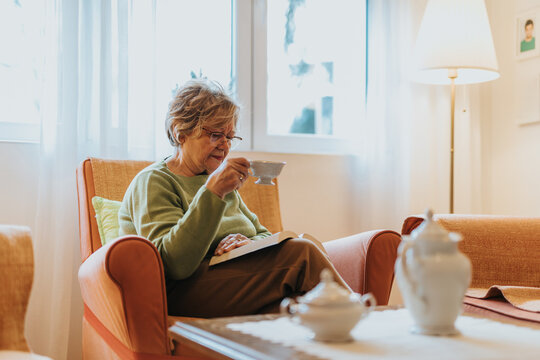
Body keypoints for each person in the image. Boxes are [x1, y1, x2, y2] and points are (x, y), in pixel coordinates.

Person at [118, 79, 350, 318]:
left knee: (297, 305)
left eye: (230, 137)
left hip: (233, 282)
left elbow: (263, 234)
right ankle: (366, 320)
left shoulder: (219, 183)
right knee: (301, 254)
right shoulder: (155, 181)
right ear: (180, 132)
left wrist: (247, 243)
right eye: (216, 134)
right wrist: (213, 191)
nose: (225, 146)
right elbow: (175, 264)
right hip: (185, 292)